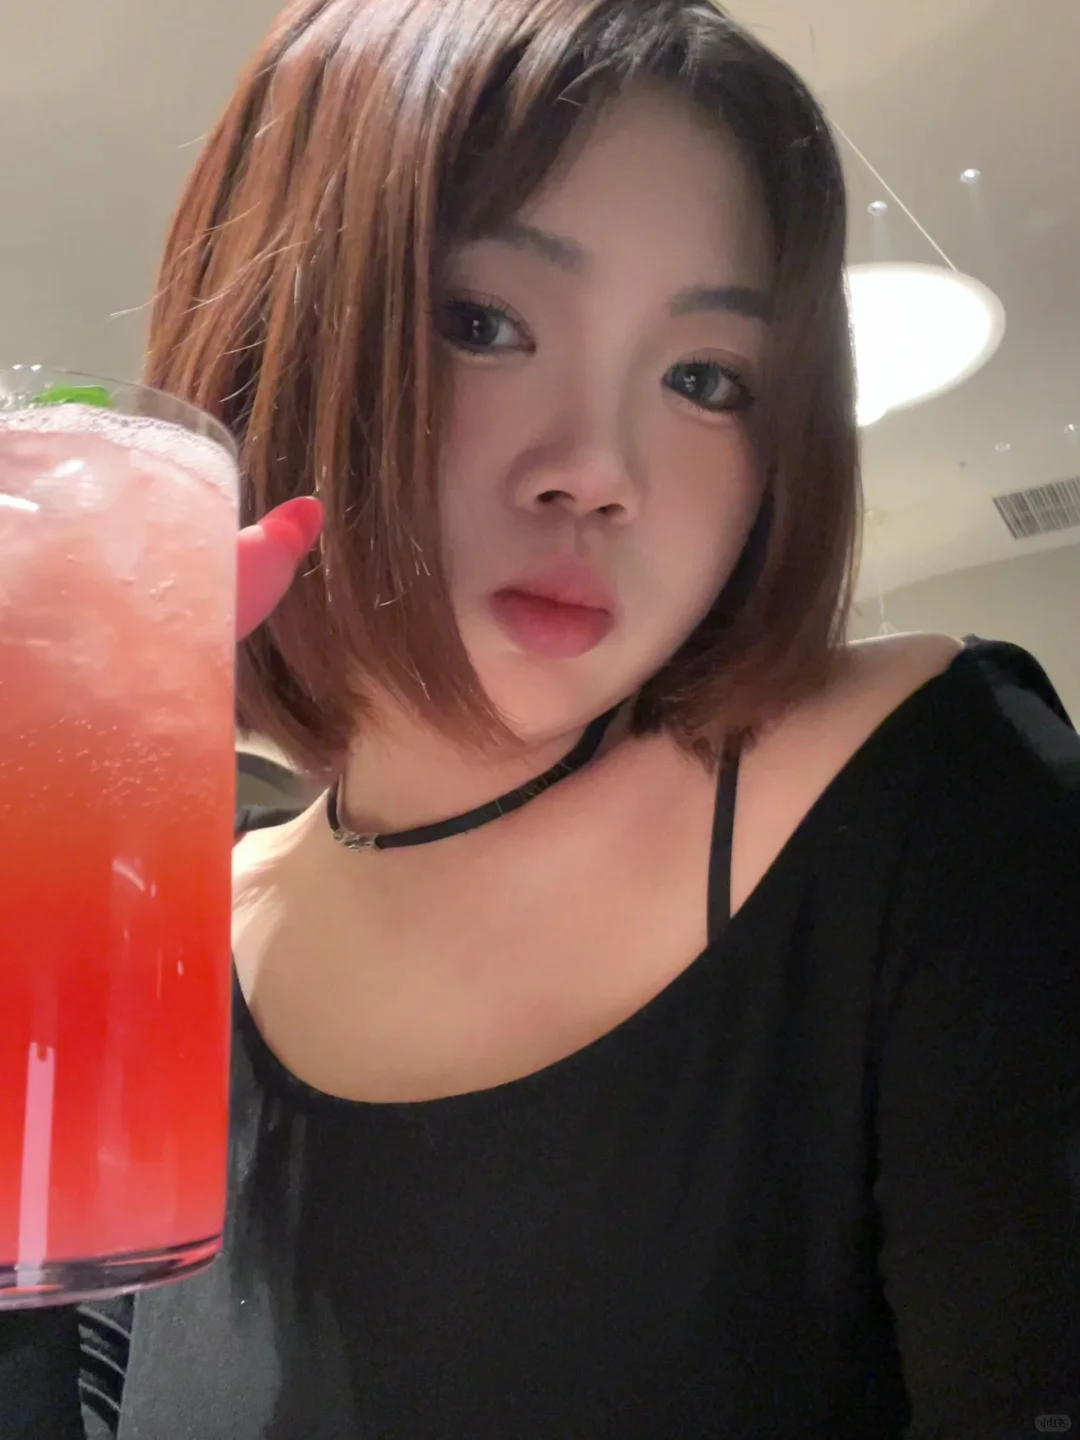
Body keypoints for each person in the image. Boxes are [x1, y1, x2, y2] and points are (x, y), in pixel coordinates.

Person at [2, 0, 1078, 1435]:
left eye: (706, 380)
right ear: (278, 339)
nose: (599, 469)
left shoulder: (928, 789)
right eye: (483, 323)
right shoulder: (176, 941)